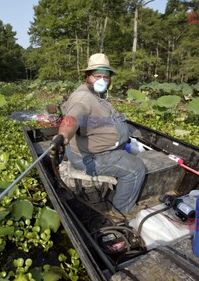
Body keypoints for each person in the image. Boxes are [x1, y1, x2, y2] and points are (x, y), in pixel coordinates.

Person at [55, 53, 147, 214]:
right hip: (89, 157)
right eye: (97, 76)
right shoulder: (82, 98)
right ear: (87, 76)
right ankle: (122, 212)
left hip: (103, 149)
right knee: (136, 168)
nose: (102, 81)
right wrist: (62, 136)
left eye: (106, 77)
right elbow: (72, 119)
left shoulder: (96, 95)